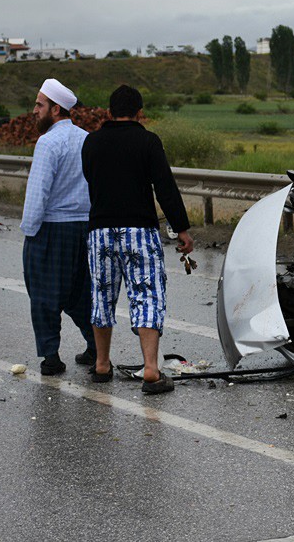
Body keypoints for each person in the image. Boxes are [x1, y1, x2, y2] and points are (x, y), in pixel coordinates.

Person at [81, 84, 194, 394]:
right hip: (139, 231)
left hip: (100, 232)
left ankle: (102, 364)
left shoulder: (91, 143)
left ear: (109, 111)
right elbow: (165, 189)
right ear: (139, 113)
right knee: (146, 296)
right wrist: (181, 229)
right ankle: (151, 369)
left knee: (102, 296)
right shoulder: (148, 141)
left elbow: (90, 180)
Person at [20, 78, 95, 375]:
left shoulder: (48, 142)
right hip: (86, 228)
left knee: (44, 293)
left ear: (56, 109)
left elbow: (38, 192)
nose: (34, 110)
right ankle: (95, 349)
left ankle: (51, 356)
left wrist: (30, 230)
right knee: (82, 292)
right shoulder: (87, 138)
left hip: (52, 228)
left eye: (40, 105)